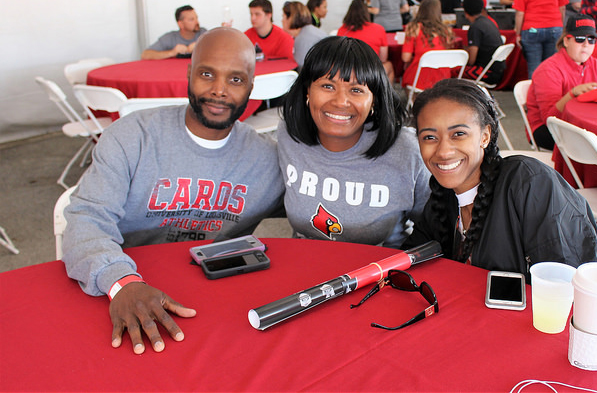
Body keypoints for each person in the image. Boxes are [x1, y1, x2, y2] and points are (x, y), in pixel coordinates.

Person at [62, 28, 285, 354]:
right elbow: (86, 219)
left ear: (252, 87)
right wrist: (121, 282)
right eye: (207, 74)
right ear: (188, 74)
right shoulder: (132, 137)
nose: (220, 90)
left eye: (236, 80)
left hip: (216, 309)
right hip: (122, 291)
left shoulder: (267, 160)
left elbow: (313, 205)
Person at [405, 77, 597, 341]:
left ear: (485, 135)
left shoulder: (529, 182)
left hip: (593, 334)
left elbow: (568, 287)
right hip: (489, 331)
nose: (443, 151)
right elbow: (411, 258)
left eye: (458, 134)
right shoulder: (443, 195)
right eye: (429, 137)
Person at [278, 36, 431, 248]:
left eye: (356, 89)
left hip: (382, 275)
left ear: (374, 100)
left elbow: (434, 227)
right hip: (308, 269)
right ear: (307, 92)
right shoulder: (289, 135)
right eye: (327, 86)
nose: (340, 101)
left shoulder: (406, 150)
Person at [526, 14, 597, 150]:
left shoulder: (595, 64)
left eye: (591, 39)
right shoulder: (548, 69)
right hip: (546, 128)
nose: (586, 44)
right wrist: (572, 94)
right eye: (580, 39)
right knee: (596, 145)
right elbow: (549, 118)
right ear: (566, 41)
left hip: (582, 122)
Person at [402, 0, 456, 93]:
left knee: (406, 69)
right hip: (443, 78)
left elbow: (405, 58)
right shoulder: (447, 30)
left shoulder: (414, 28)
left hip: (419, 79)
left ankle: (413, 102)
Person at [338, 0, 395, 82]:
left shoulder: (342, 30)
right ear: (366, 13)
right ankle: (386, 94)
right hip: (370, 71)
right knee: (389, 65)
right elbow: (383, 58)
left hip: (347, 71)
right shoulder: (378, 29)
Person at [513, 0, 567, 78]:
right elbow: (562, 8)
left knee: (534, 67)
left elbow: (520, 13)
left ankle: (534, 89)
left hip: (532, 29)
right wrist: (559, 26)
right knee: (551, 66)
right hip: (554, 27)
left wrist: (518, 34)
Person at [462, 0, 506, 85]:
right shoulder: (489, 22)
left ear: (465, 12)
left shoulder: (475, 27)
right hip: (498, 71)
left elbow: (471, 60)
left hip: (486, 73)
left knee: (453, 71)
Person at [141, 5, 207, 60]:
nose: (197, 22)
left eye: (196, 18)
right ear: (180, 24)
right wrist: (172, 52)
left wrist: (200, 46)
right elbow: (145, 54)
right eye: (191, 19)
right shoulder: (170, 37)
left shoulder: (204, 34)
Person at [282, 1, 328, 69]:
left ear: (291, 18)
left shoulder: (302, 38)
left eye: (283, 17)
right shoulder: (308, 31)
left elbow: (302, 69)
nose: (282, 21)